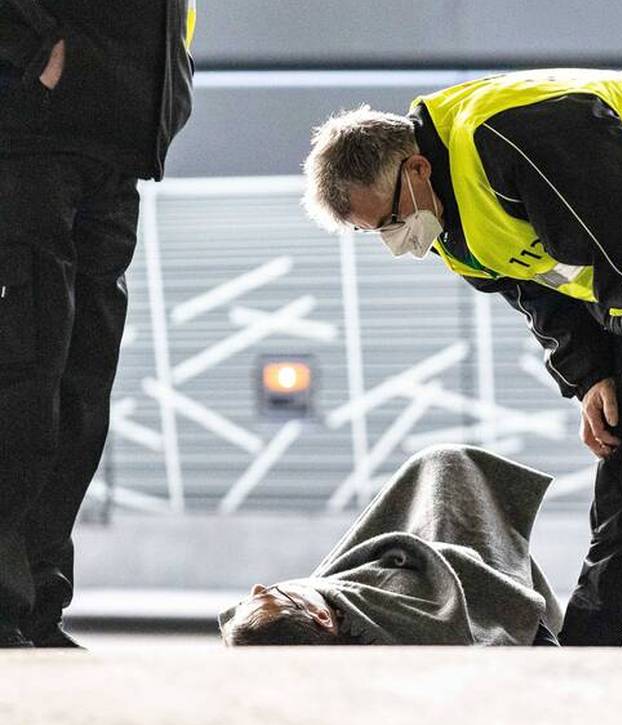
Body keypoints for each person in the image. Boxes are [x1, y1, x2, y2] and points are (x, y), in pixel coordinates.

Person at [301, 69, 622, 647]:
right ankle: (591, 648)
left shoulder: (520, 137)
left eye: (392, 220)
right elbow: (540, 290)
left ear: (416, 168)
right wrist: (591, 375)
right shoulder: (451, 221)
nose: (396, 240)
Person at [0, 0, 195, 649]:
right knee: (22, 376)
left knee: (79, 397)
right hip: (29, 134)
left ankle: (34, 607)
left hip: (117, 144)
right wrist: (28, 51)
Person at [218, 445, 564, 646]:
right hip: (451, 563)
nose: (258, 586)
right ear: (323, 616)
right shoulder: (397, 608)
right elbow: (470, 574)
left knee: (444, 471)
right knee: (447, 468)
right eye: (273, 595)